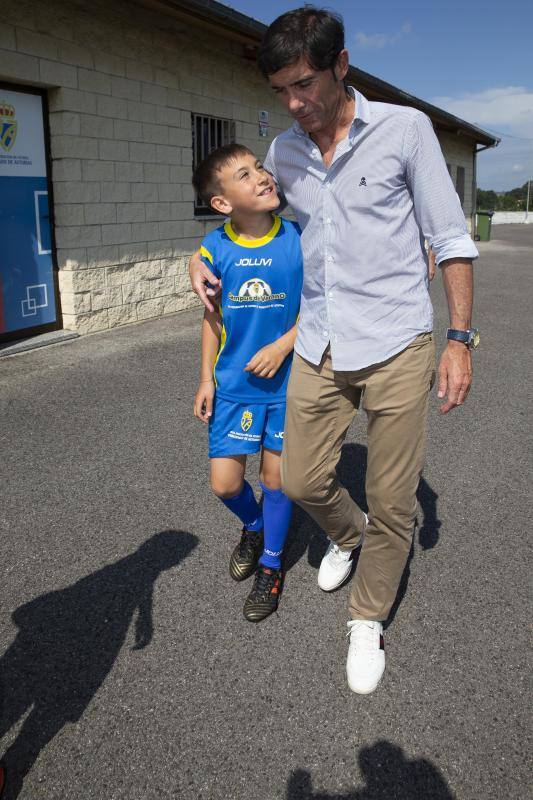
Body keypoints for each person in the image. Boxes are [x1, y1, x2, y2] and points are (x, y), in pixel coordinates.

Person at [190, 7, 479, 690]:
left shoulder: (405, 131)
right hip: (318, 342)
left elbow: (450, 237)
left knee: (393, 494)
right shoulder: (286, 152)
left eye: (304, 85)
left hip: (396, 340)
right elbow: (250, 220)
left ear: (340, 65)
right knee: (300, 479)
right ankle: (348, 536)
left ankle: (366, 619)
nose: (294, 105)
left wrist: (459, 339)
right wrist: (195, 260)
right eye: (280, 92)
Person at [192, 143, 303, 622]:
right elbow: (211, 318)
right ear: (222, 203)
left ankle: (272, 565)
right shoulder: (214, 248)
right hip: (234, 386)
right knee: (224, 484)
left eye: (259, 166)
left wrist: (282, 346)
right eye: (244, 174)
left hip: (288, 385)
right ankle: (254, 526)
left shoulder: (298, 236)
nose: (261, 176)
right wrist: (205, 379)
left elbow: (323, 307)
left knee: (276, 479)